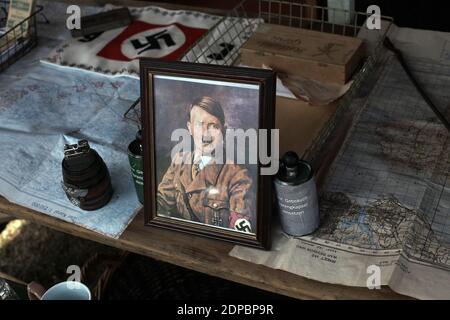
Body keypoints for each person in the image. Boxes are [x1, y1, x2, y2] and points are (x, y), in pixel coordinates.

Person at [157, 96, 255, 232]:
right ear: (189, 128)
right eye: (199, 125)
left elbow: (241, 223)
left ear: (223, 131)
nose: (205, 135)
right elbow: (161, 201)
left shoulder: (237, 174)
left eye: (213, 126)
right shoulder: (179, 160)